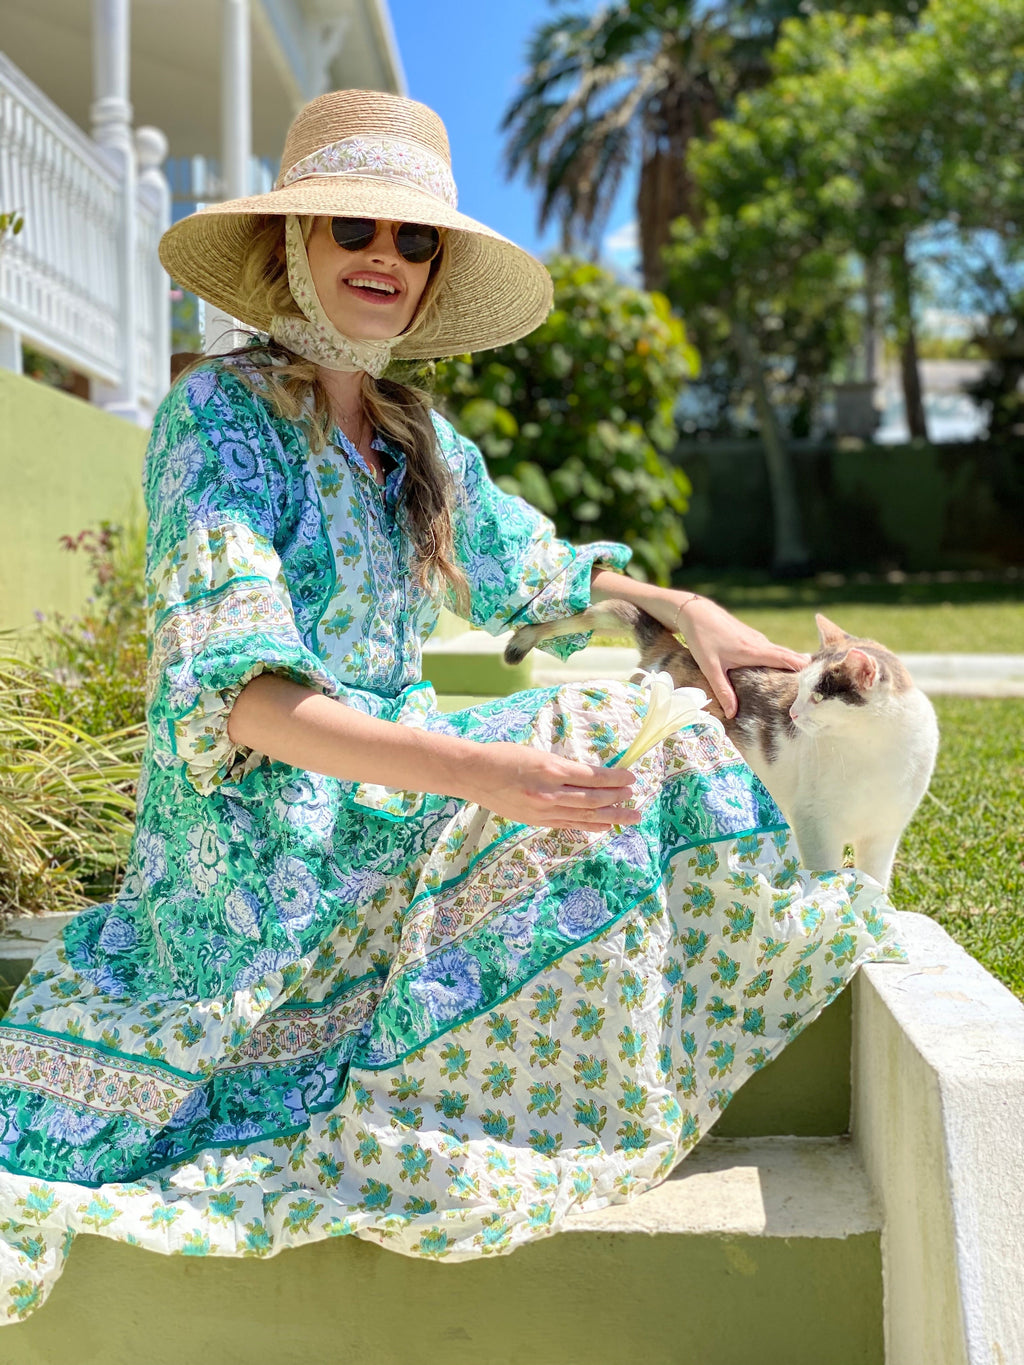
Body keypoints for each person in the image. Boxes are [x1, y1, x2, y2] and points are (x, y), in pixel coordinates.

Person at [0, 89, 904, 1321]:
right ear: (291, 249)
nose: (384, 258)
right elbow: (247, 706)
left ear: (430, 272)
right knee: (581, 742)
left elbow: (538, 577)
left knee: (668, 734)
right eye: (353, 230)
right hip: (259, 839)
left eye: (412, 240)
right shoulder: (216, 420)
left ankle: (588, 1072)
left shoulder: (414, 437)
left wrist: (673, 603)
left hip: (385, 789)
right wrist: (476, 774)